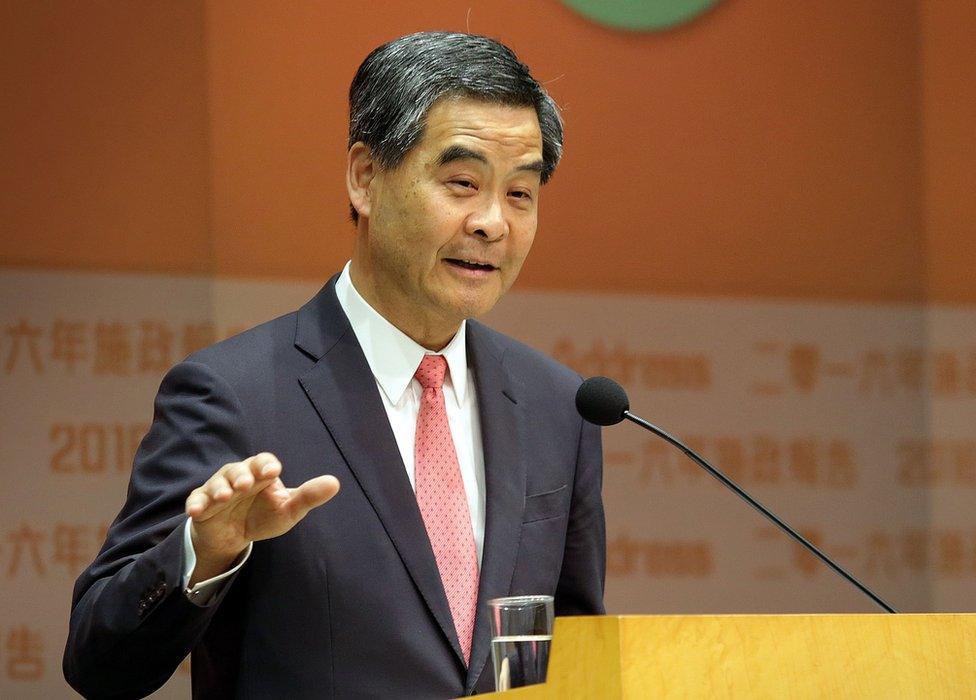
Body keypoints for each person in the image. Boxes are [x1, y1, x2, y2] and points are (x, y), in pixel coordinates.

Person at [64, 31, 605, 698]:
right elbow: (98, 663)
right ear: (365, 177)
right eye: (462, 183)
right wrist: (205, 555)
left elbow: (575, 648)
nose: (493, 222)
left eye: (520, 194)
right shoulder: (236, 395)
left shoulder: (560, 405)